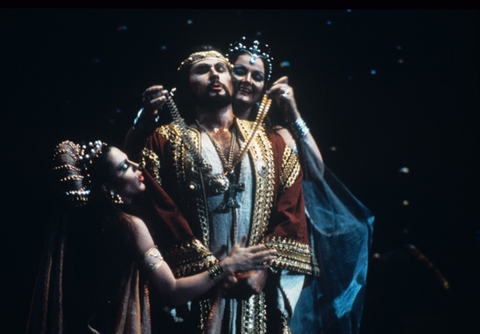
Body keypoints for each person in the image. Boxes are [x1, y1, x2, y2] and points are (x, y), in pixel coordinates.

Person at [128, 49, 313, 333]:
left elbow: (291, 207)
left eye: (220, 68)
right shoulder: (164, 141)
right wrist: (213, 272)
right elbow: (158, 210)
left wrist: (264, 269)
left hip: (257, 295)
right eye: (202, 70)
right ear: (186, 88)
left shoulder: (272, 141)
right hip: (195, 293)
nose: (214, 74)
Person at [26, 140, 276, 334]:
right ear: (107, 187)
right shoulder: (130, 226)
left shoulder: (102, 223)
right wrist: (226, 265)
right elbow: (171, 291)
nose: (137, 166)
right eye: (125, 167)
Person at [225, 38, 375, 334]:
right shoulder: (197, 131)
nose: (247, 80)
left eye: (257, 76)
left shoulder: (277, 136)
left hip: (265, 257)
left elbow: (316, 171)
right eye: (239, 71)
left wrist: (292, 113)